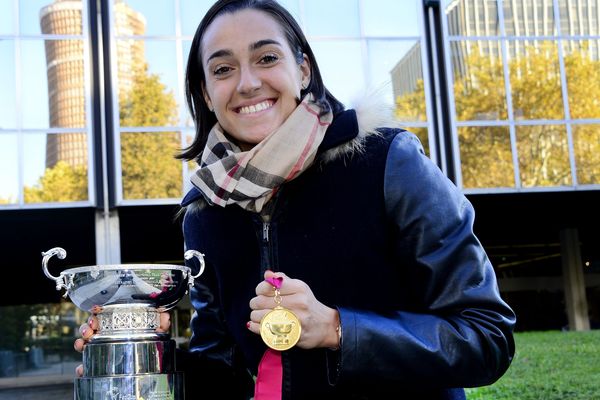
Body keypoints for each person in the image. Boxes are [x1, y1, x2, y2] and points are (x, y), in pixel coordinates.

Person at [76, 0, 516, 398]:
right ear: (207, 94)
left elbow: (487, 337)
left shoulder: (387, 161)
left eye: (266, 58)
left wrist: (338, 329)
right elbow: (222, 368)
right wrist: (139, 354)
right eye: (223, 69)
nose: (247, 83)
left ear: (302, 70)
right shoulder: (205, 212)